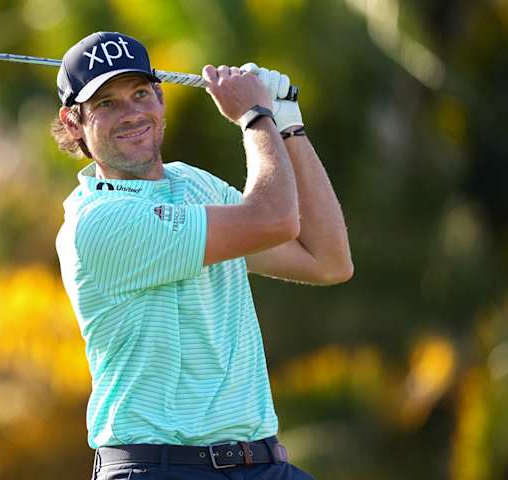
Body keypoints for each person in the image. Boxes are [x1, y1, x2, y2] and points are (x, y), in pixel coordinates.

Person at [52, 31, 352, 480]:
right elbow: (273, 219)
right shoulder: (97, 223)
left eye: (140, 94)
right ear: (73, 123)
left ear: (161, 98)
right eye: (107, 104)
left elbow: (327, 260)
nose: (132, 114)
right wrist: (254, 115)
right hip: (157, 467)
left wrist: (288, 123)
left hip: (261, 463)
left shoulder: (194, 184)